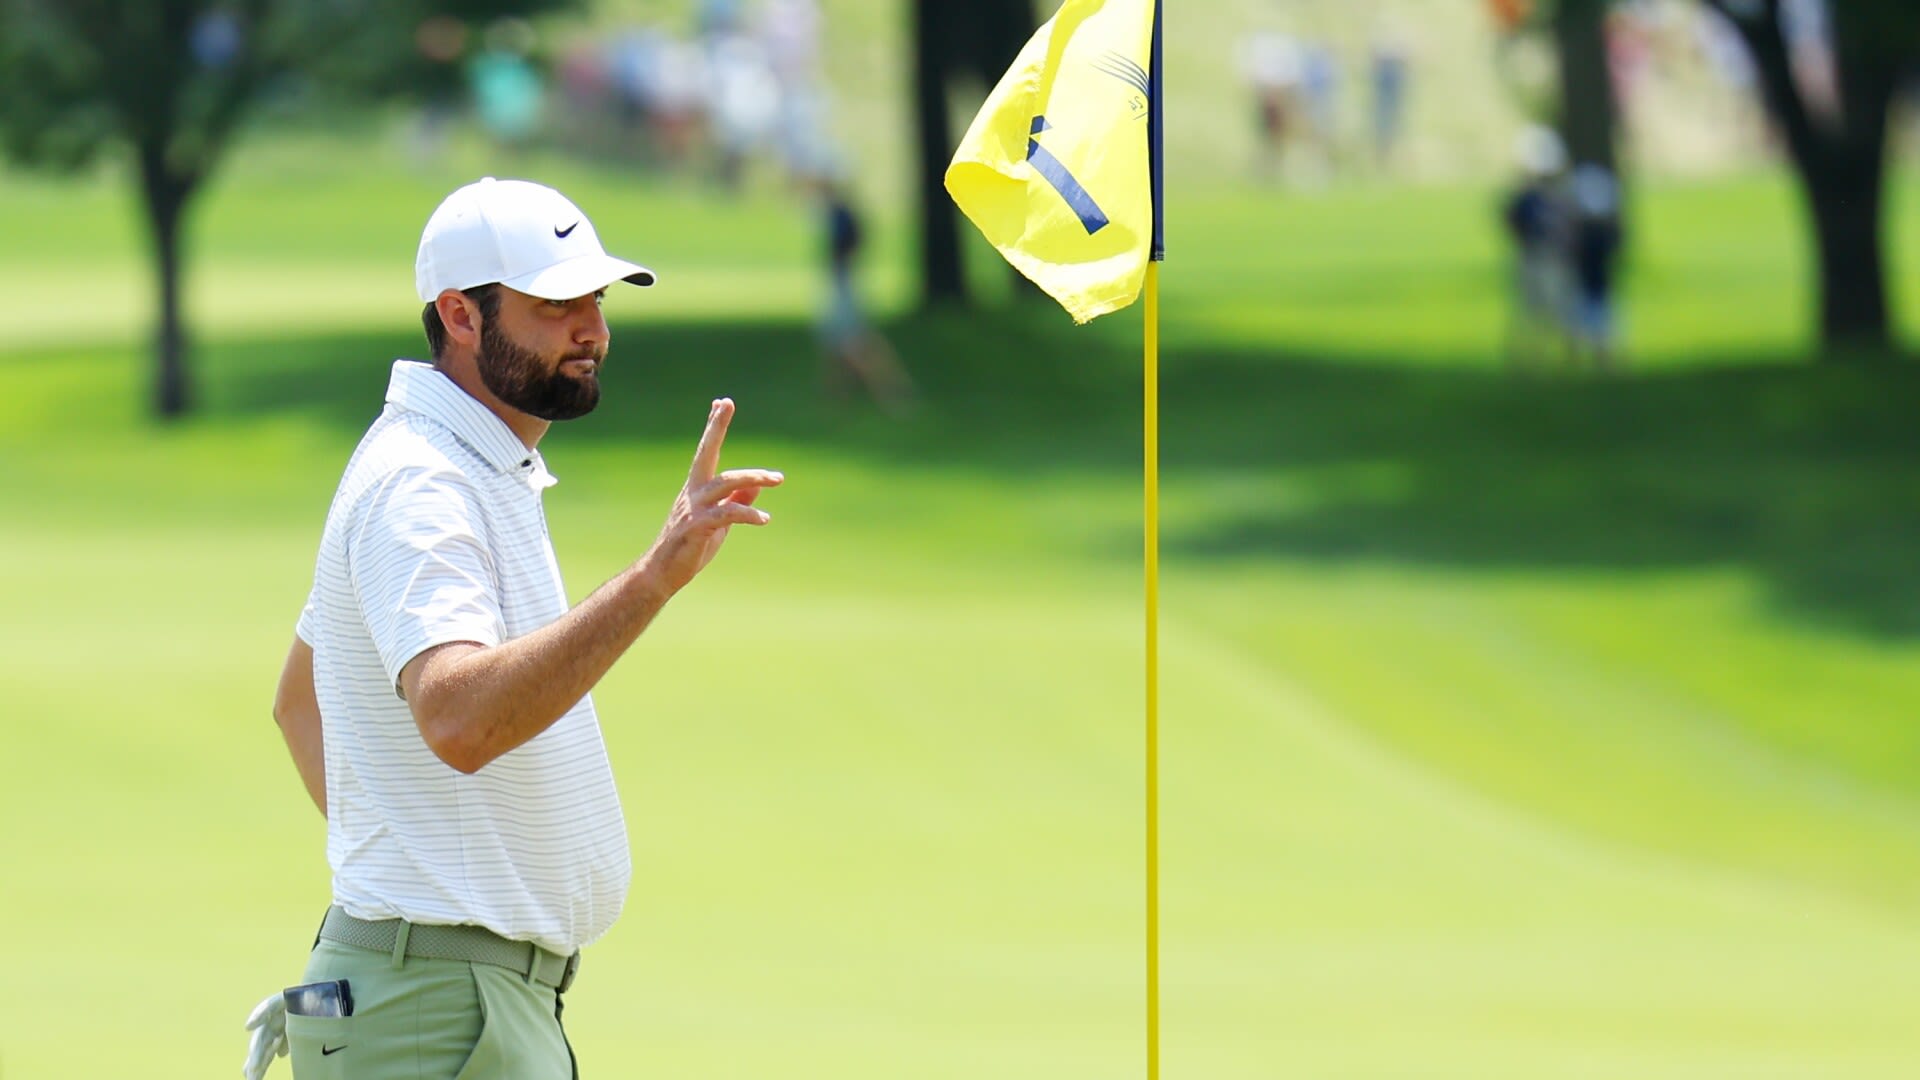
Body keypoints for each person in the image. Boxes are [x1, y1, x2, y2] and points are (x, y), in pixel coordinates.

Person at [241, 176, 784, 1080]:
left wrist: (413, 879)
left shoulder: (460, 461)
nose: (592, 330)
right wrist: (653, 581)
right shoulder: (424, 485)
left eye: (595, 300)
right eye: (553, 304)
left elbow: (301, 699)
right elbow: (457, 718)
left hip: (435, 997)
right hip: (437, 1009)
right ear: (460, 314)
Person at [1501, 125, 1572, 371]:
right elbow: (1510, 221)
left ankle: (1561, 356)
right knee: (1532, 309)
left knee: (1556, 308)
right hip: (1534, 256)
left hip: (1552, 258)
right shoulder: (1528, 198)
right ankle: (1531, 357)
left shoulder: (1558, 196)